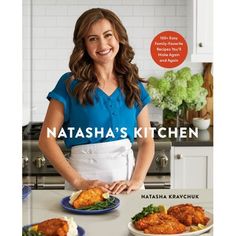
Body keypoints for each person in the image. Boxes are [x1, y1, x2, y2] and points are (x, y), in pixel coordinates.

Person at [39, 8, 154, 194]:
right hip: (85, 184)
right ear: (83, 44)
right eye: (92, 38)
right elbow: (46, 139)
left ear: (119, 37)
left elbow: (147, 141)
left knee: (129, 224)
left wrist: (136, 180)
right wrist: (80, 182)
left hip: (127, 185)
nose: (102, 44)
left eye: (108, 35)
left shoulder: (133, 85)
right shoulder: (69, 84)